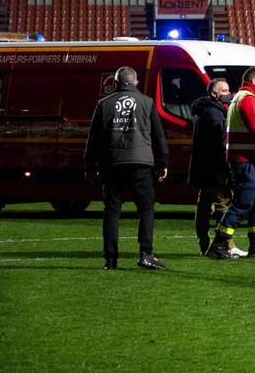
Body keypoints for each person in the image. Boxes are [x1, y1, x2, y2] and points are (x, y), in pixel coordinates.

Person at [84, 66, 169, 271]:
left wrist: (89, 166)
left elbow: (93, 139)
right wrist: (162, 161)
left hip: (113, 164)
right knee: (146, 210)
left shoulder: (103, 104)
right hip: (141, 164)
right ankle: (146, 254)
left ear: (115, 82)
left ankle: (110, 259)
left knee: (112, 211)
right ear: (136, 82)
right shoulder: (147, 102)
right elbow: (158, 135)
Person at [206, 67, 255, 259]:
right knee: (243, 203)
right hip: (245, 159)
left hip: (254, 158)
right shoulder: (248, 99)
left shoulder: (246, 98)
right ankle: (219, 244)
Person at [188, 78, 244, 257]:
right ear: (214, 93)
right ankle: (227, 244)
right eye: (225, 90)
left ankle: (204, 244)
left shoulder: (204, 109)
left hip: (203, 167)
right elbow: (220, 143)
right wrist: (224, 167)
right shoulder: (214, 114)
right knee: (223, 204)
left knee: (204, 206)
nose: (229, 94)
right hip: (215, 168)